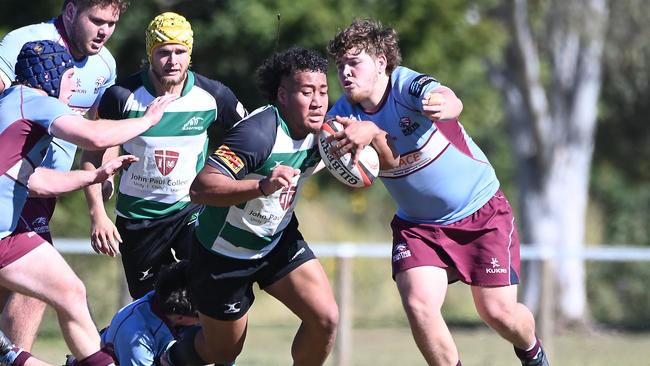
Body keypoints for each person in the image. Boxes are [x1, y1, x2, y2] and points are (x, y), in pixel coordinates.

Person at [326, 19, 549, 366]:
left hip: (481, 211)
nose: (345, 73)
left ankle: (533, 353)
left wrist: (446, 105)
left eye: (354, 62)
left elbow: (446, 96)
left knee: (498, 313)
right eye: (340, 66)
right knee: (418, 304)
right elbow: (387, 164)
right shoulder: (342, 116)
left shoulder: (405, 85)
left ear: (382, 62)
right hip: (419, 227)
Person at [159, 47, 360, 366]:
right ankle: (168, 360)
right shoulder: (258, 133)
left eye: (323, 91)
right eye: (307, 92)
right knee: (223, 351)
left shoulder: (326, 130)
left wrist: (371, 133)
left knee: (325, 319)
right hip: (223, 256)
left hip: (277, 241)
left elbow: (381, 141)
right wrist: (261, 186)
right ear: (283, 94)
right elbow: (200, 188)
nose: (318, 101)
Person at [0, 40, 173, 366]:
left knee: (70, 292)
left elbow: (34, 181)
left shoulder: (9, 103)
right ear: (54, 75)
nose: (72, 87)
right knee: (70, 293)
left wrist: (94, 176)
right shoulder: (35, 101)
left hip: (7, 234)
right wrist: (148, 119)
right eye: (70, 78)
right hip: (3, 234)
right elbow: (94, 137)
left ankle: (13, 355)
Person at [82, 11, 247, 299]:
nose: (173, 61)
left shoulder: (214, 96)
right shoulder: (121, 96)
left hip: (190, 210)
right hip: (138, 219)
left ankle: (202, 343)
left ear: (190, 53)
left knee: (207, 290)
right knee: (153, 306)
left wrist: (227, 181)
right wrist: (98, 213)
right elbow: (92, 152)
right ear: (150, 54)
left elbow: (249, 139)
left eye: (180, 52)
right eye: (164, 52)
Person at [0, 0, 130, 351]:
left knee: (30, 288)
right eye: (96, 20)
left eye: (112, 23)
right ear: (71, 11)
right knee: (44, 287)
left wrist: (98, 209)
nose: (104, 31)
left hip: (45, 189)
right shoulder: (25, 42)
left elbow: (99, 134)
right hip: (13, 183)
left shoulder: (105, 65)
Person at [100, 260, 200, 366]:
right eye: (199, 315)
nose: (204, 318)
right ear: (180, 317)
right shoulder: (137, 343)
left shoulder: (165, 297)